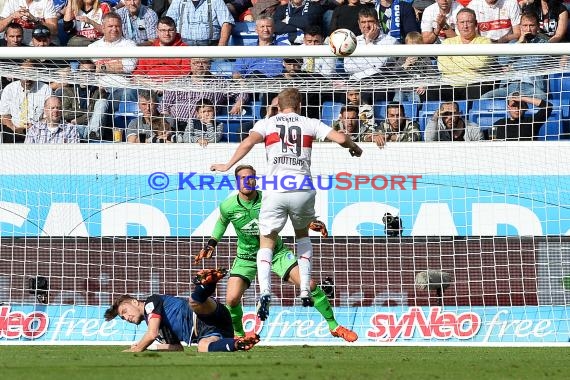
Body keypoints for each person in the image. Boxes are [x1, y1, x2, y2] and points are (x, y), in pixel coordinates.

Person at [210, 87, 362, 320]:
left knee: (266, 242)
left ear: (278, 106)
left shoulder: (267, 123)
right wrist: (354, 146)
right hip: (302, 188)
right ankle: (303, 290)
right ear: (300, 105)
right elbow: (341, 138)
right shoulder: (310, 122)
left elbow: (248, 143)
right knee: (302, 236)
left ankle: (265, 291)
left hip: (276, 189)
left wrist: (228, 165)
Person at [195, 164, 358, 342]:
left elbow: (293, 211)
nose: (246, 181)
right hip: (246, 257)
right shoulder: (228, 206)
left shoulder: (269, 199)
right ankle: (239, 336)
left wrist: (310, 221)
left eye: (250, 177)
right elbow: (221, 223)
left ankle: (334, 326)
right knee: (232, 299)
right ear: (236, 182)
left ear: (255, 180)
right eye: (242, 178)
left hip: (276, 252)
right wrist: (211, 244)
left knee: (309, 284)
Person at [104, 268, 260, 352]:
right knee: (203, 347)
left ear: (134, 301)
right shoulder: (155, 324)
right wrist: (150, 348)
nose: (126, 318)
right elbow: (177, 347)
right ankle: (238, 343)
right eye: (122, 318)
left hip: (203, 315)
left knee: (194, 303)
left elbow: (150, 334)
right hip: (209, 333)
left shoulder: (151, 303)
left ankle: (209, 282)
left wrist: (138, 348)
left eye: (124, 311)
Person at [481, 11, 550, 101]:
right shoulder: (513, 43)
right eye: (525, 25)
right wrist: (519, 44)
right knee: (484, 99)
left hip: (531, 86)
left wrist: (512, 66)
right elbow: (502, 61)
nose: (528, 29)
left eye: (531, 25)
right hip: (509, 86)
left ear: (537, 27)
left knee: (543, 99)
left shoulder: (544, 43)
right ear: (520, 27)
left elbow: (535, 63)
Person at [343, 7, 398, 81]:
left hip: (378, 84)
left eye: (370, 21)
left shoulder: (390, 41)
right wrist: (372, 65)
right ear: (359, 24)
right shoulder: (353, 41)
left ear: (377, 22)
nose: (367, 26)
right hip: (355, 84)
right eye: (363, 22)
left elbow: (379, 65)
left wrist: (369, 41)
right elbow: (347, 67)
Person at [166, 0, 234, 46]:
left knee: (223, 66)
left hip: (210, 46)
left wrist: (220, 49)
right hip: (183, 46)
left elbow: (227, 23)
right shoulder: (178, 1)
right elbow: (168, 23)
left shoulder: (216, 1)